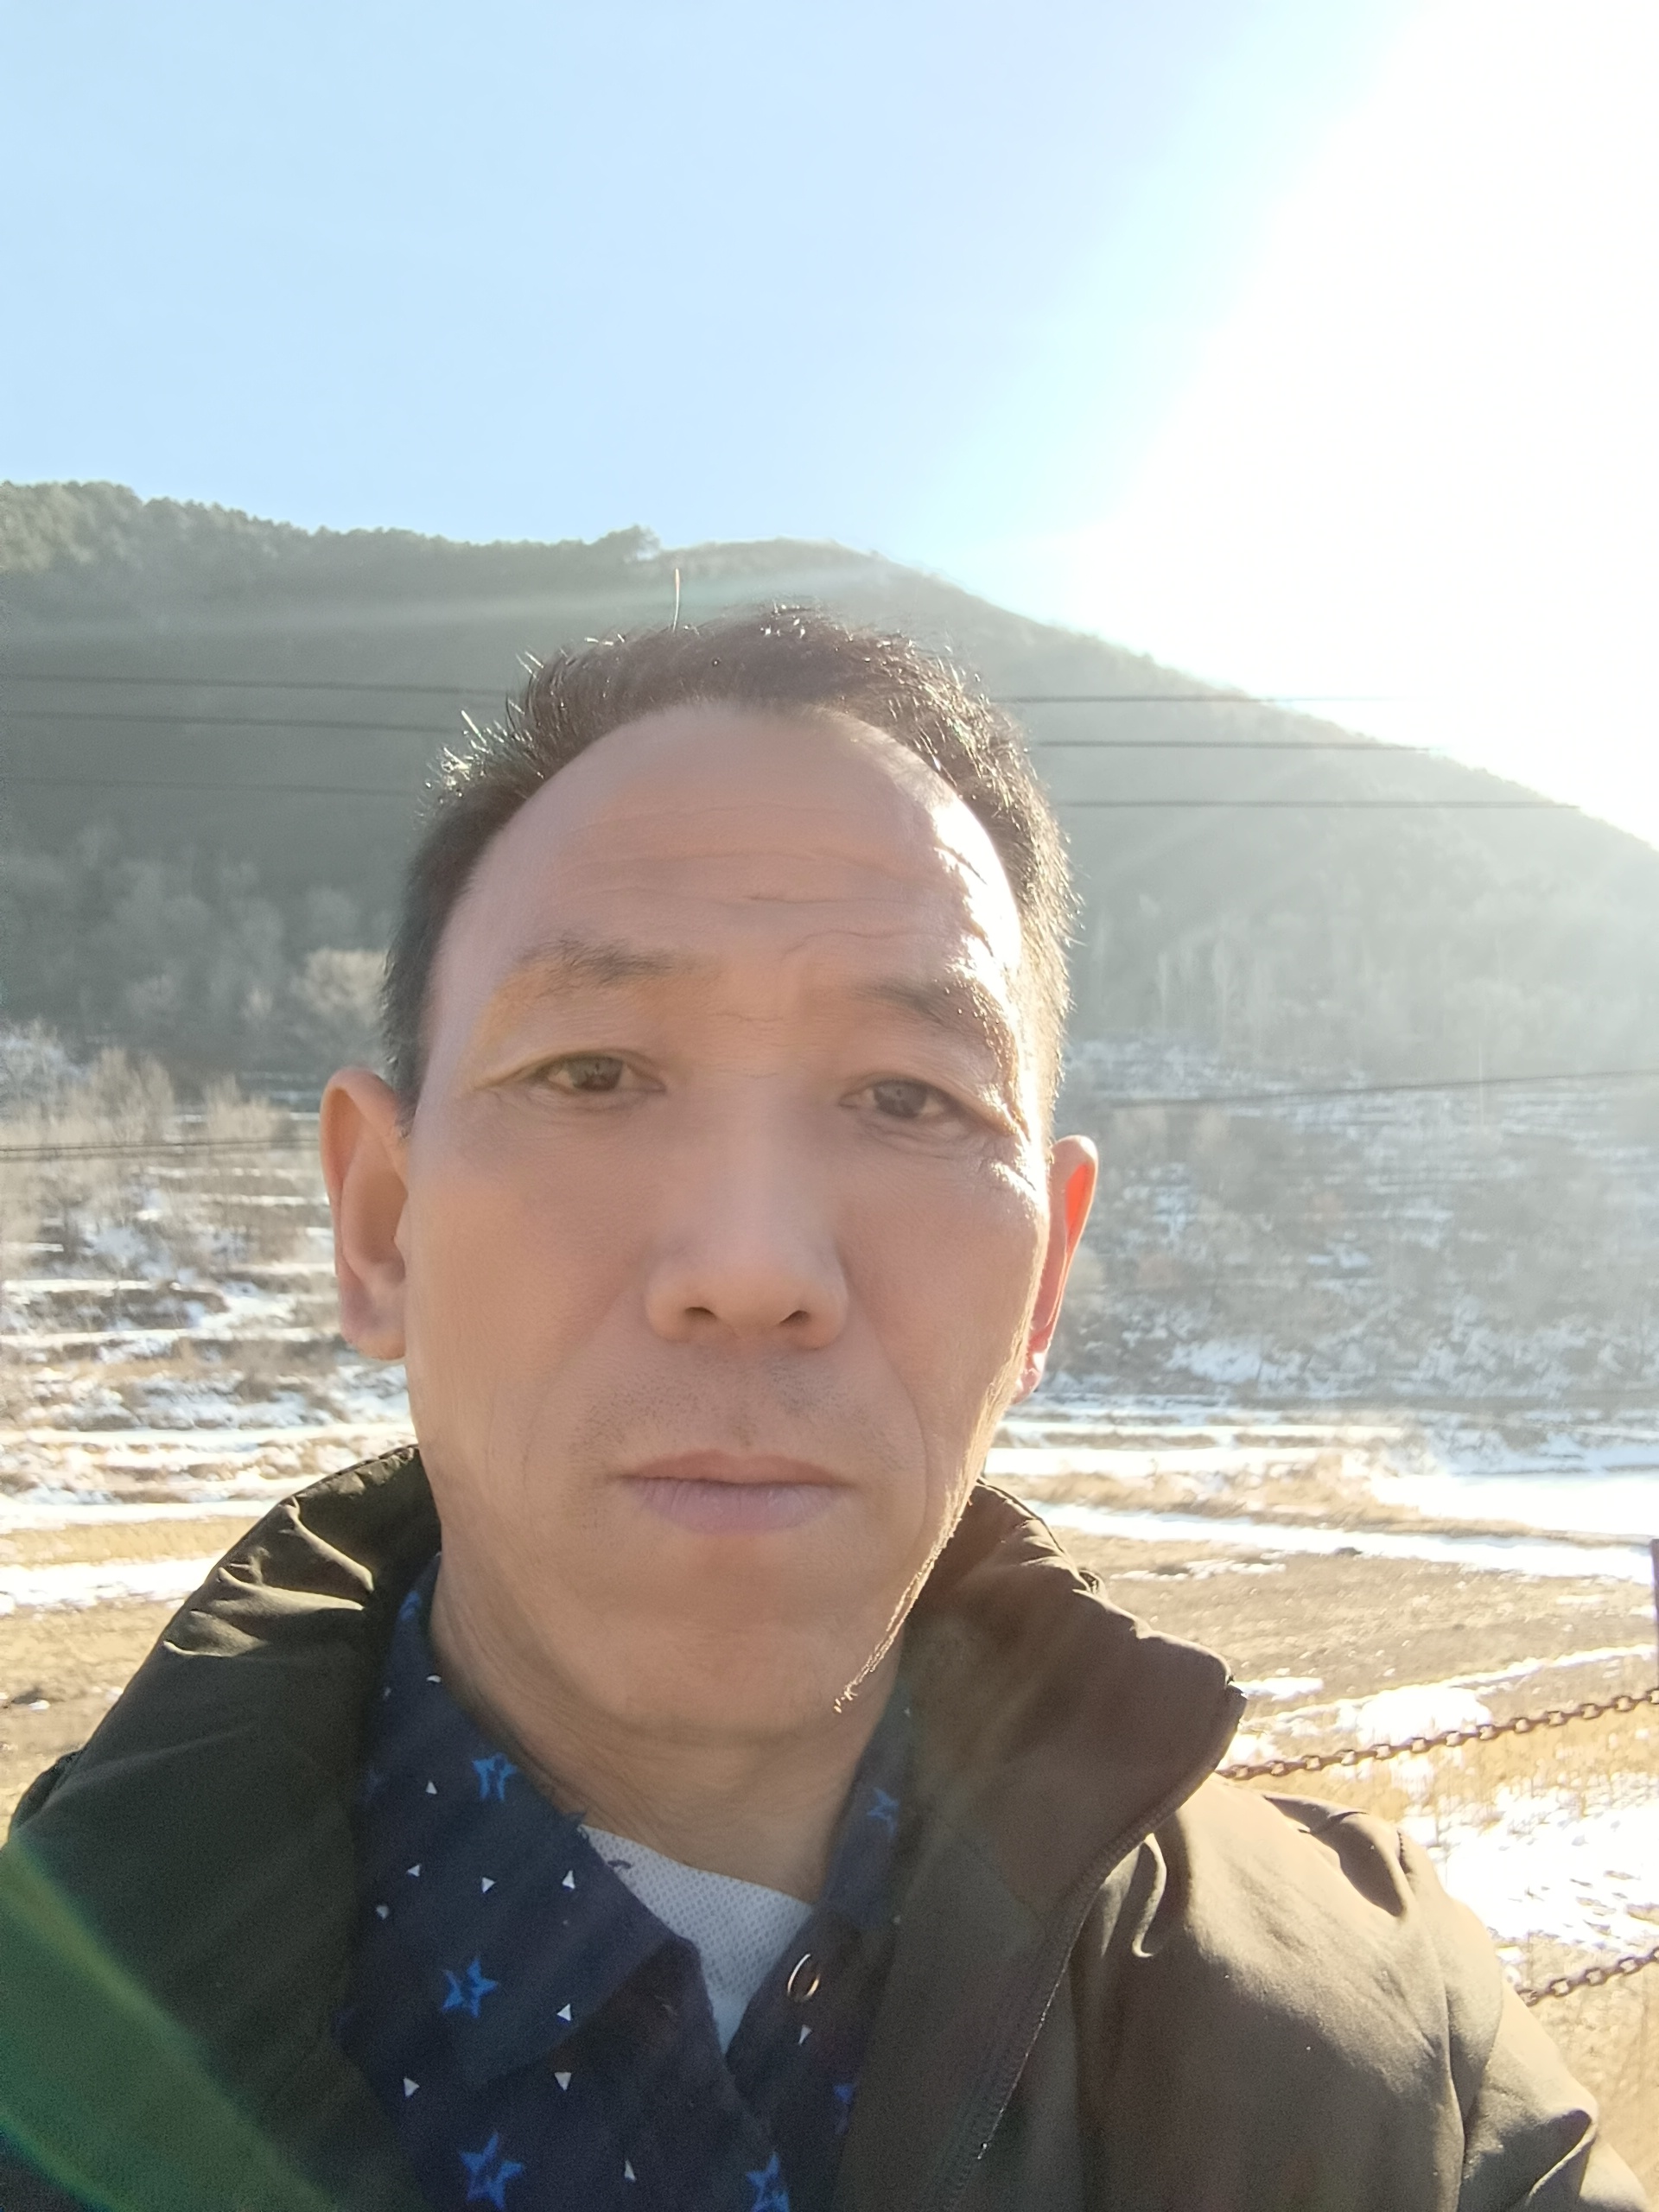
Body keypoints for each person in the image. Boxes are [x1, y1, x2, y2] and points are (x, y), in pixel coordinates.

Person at [0, 609, 1643, 2211]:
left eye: (907, 1097)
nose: (753, 1266)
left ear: (1046, 1282)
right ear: (381, 1225)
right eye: (592, 1073)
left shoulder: (1384, 2073)